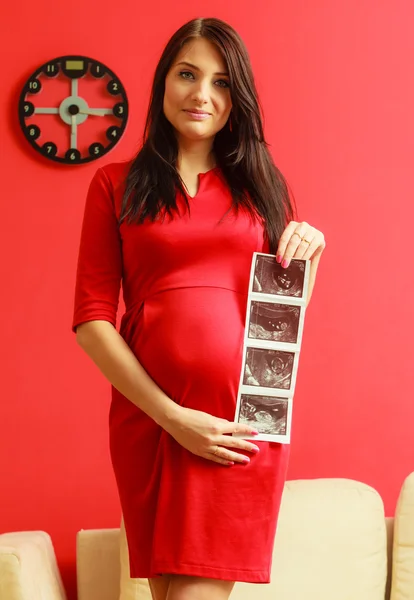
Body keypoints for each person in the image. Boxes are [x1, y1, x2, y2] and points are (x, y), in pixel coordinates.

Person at [72, 16, 326, 600]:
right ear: (164, 81)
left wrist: (313, 257)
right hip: (154, 422)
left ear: (238, 99)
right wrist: (173, 417)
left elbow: (280, 324)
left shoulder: (265, 187)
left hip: (239, 425)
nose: (201, 94)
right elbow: (91, 319)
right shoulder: (116, 185)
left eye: (220, 82)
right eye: (188, 74)